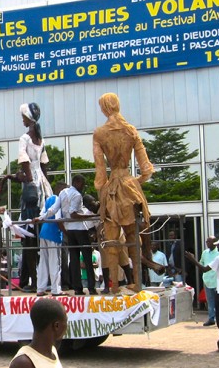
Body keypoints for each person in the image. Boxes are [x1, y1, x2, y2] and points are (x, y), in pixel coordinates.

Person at [92, 93, 155, 293]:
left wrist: (103, 190)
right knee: (132, 236)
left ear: (103, 108)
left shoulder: (99, 133)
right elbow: (146, 169)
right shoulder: (131, 131)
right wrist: (134, 183)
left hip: (112, 189)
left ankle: (114, 286)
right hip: (129, 185)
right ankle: (137, 282)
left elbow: (100, 173)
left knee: (111, 238)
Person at [5, 102, 53, 293]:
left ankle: (33, 281)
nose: (22, 119)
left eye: (23, 116)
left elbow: (26, 164)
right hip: (44, 188)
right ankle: (39, 280)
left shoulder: (24, 138)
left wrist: (24, 179)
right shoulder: (41, 139)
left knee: (29, 237)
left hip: (32, 190)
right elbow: (44, 167)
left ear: (28, 118)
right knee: (39, 237)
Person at [64, 175, 99, 295]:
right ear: (77, 182)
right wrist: (90, 216)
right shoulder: (77, 195)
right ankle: (91, 287)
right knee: (87, 258)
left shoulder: (64, 192)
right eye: (82, 183)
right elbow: (73, 214)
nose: (83, 186)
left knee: (74, 260)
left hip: (69, 229)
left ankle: (77, 288)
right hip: (79, 229)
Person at [9, 298, 67, 368]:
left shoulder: (52, 351)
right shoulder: (24, 362)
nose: (67, 326)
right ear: (56, 326)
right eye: (66, 321)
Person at [34, 183, 68, 297]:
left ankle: (40, 288)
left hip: (44, 232)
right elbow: (58, 219)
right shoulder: (59, 200)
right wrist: (65, 232)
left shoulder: (49, 199)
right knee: (55, 263)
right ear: (61, 190)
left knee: (43, 261)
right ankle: (55, 289)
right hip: (54, 234)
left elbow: (42, 214)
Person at [198, 237, 219, 326]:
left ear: (214, 242)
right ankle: (211, 318)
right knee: (210, 301)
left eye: (209, 241)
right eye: (206, 241)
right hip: (207, 279)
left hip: (217, 280)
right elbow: (201, 262)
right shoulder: (205, 252)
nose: (207, 243)